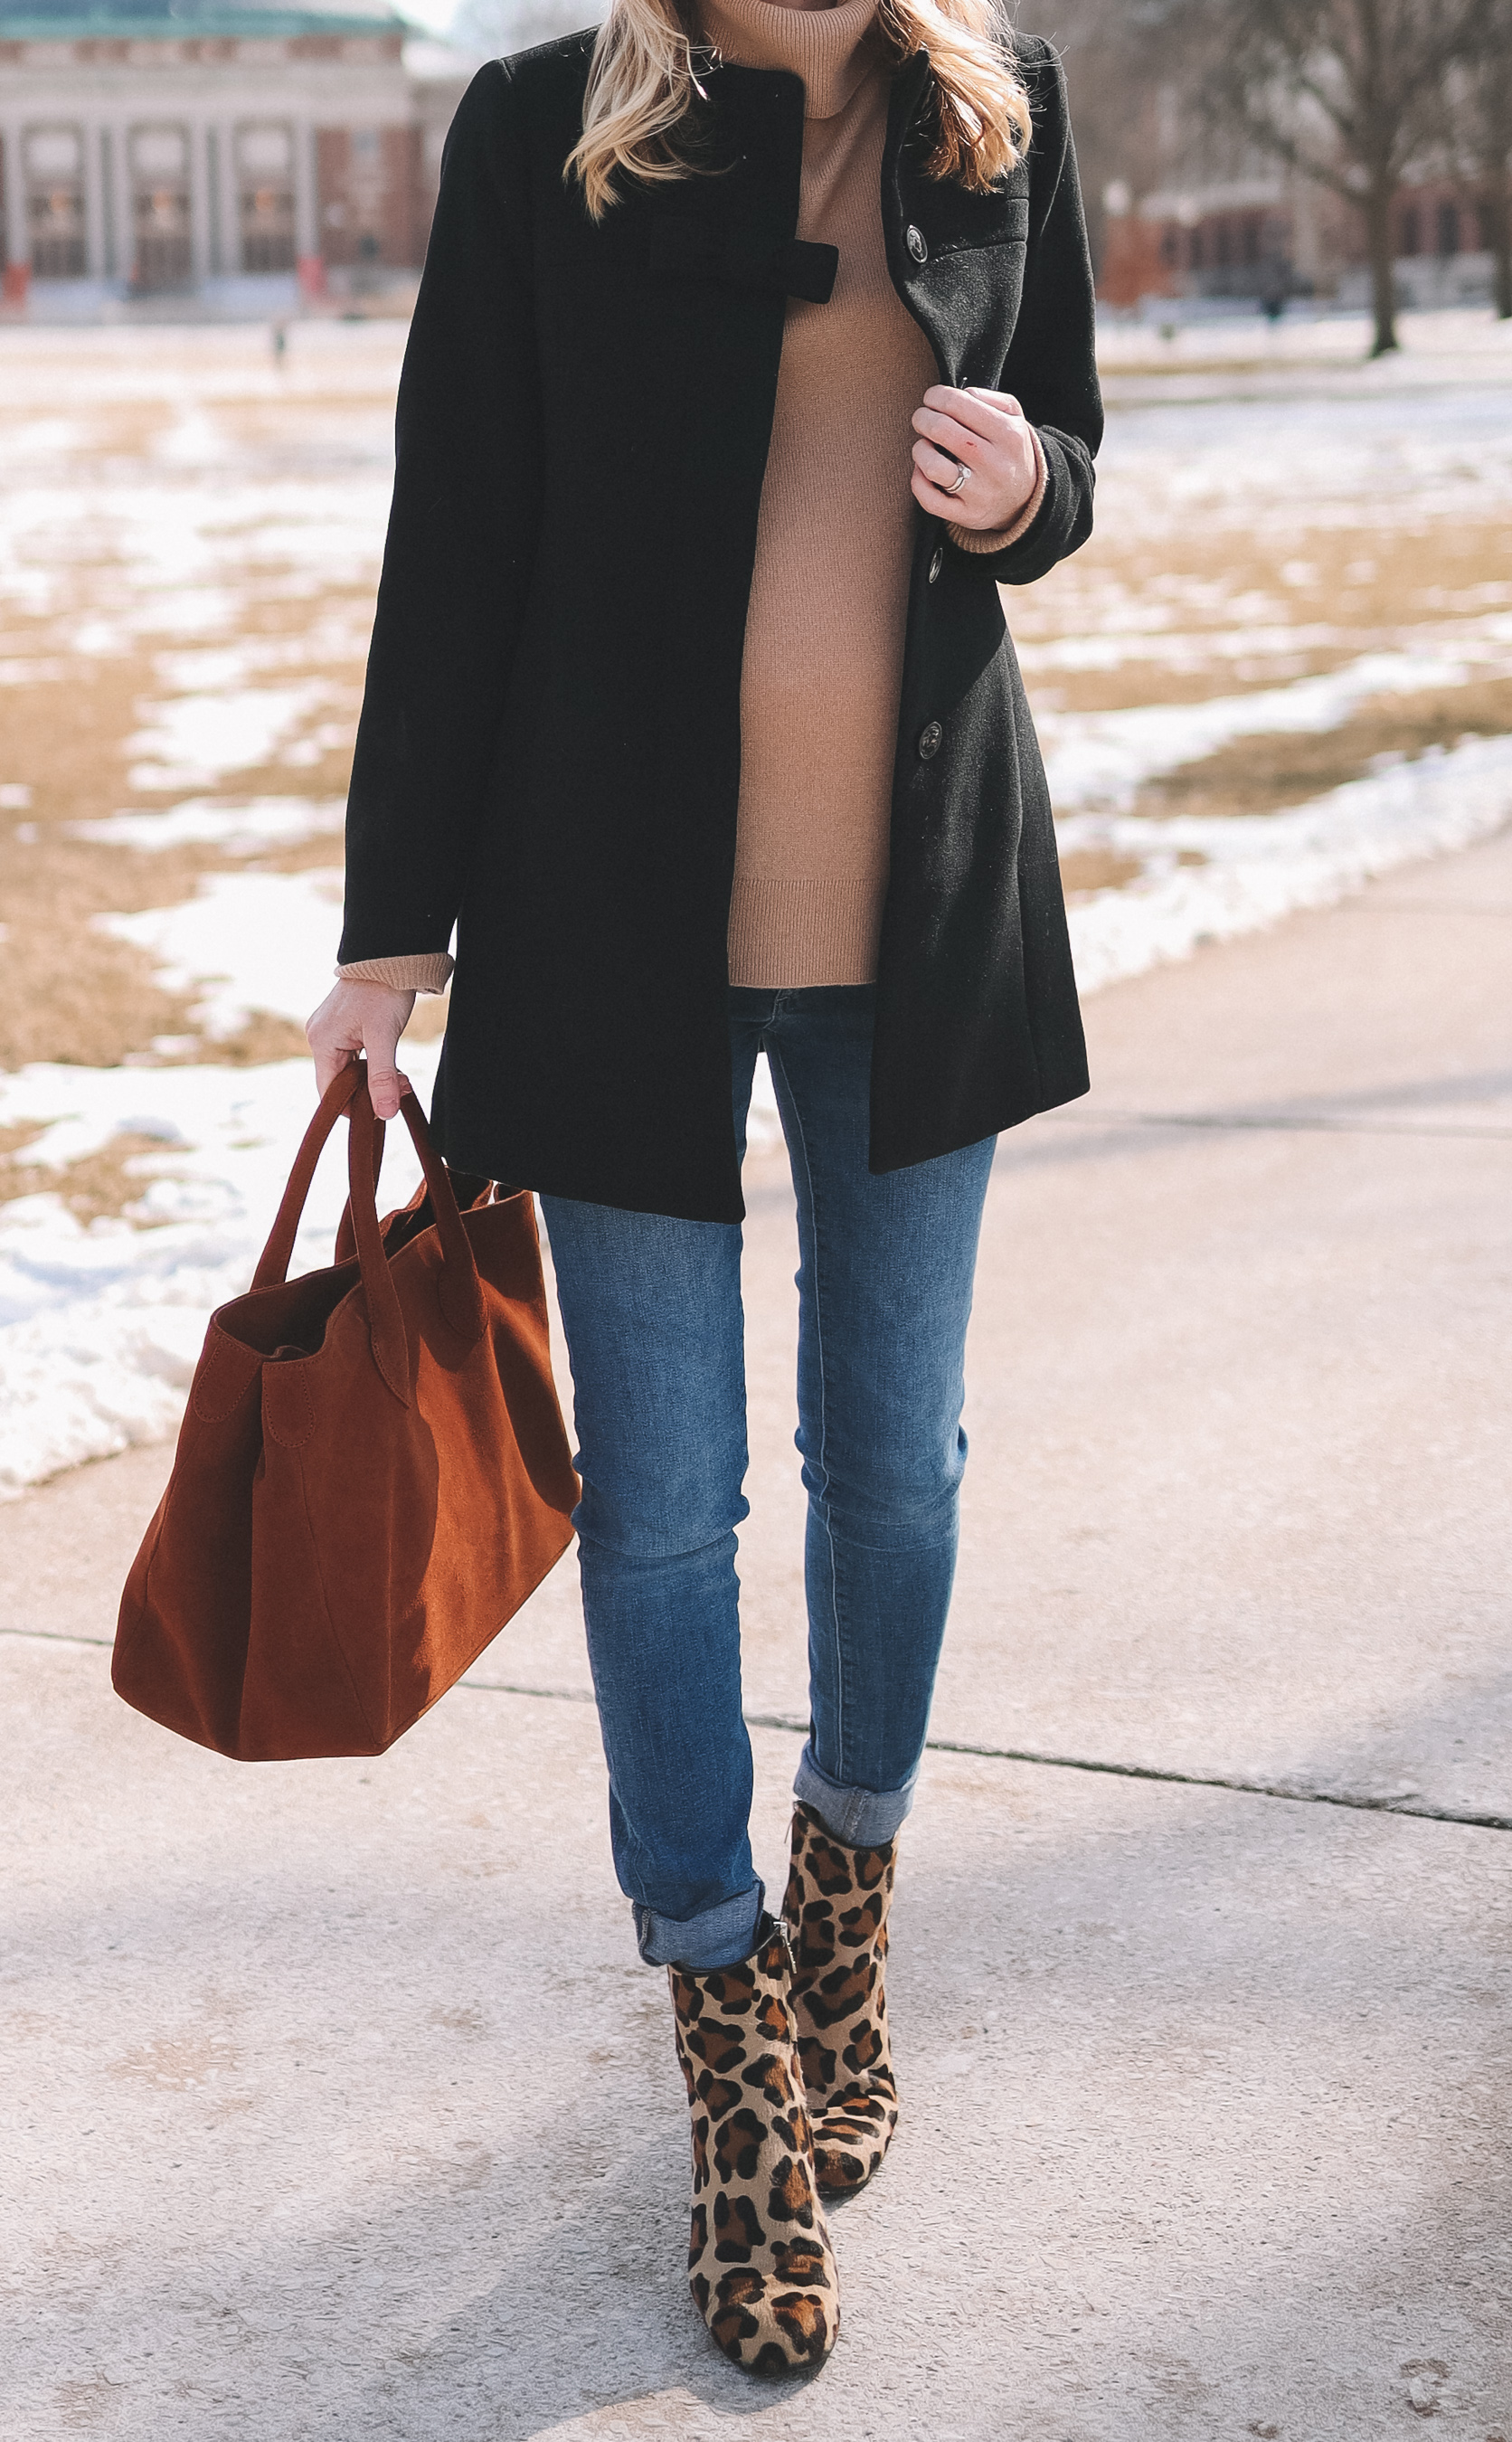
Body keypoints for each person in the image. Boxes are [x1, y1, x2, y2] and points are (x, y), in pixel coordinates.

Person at [307, 0, 1100, 2378]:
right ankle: (728, 2027)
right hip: (615, 933)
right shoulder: (546, 127)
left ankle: (848, 1899)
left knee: (900, 1465)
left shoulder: (997, 101)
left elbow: (1075, 450)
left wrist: (1022, 490)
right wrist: (386, 930)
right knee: (662, 1509)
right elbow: (461, 528)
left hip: (919, 922)